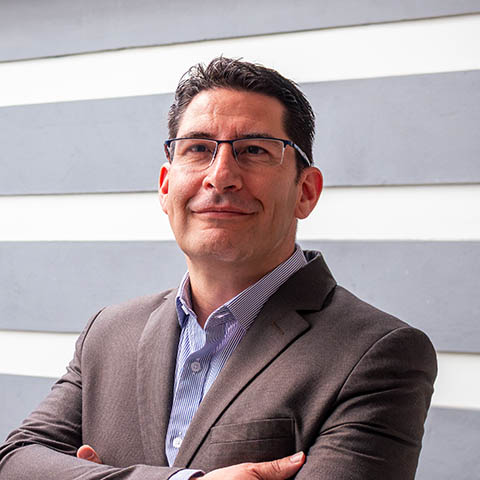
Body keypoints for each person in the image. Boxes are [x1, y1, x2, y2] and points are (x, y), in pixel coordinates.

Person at [0, 57, 437, 480]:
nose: (221, 175)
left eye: (253, 150)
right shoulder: (109, 333)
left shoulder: (378, 354)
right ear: (166, 188)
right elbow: (15, 462)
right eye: (198, 149)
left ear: (306, 191)